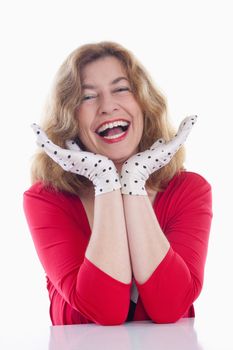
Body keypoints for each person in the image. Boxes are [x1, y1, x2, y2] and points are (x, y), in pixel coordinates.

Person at [23, 41, 212, 326]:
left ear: (144, 104)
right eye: (87, 97)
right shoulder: (47, 199)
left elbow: (169, 307)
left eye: (121, 89)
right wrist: (106, 180)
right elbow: (105, 311)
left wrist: (133, 179)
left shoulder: (189, 190)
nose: (107, 106)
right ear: (70, 117)